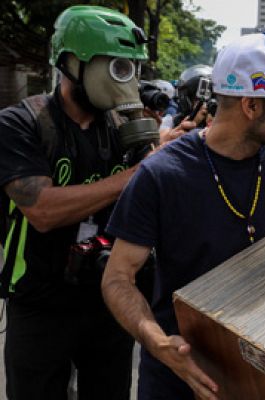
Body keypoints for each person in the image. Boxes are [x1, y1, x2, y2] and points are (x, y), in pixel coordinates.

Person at [101, 33, 265, 400]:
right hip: (180, 377)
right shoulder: (162, 174)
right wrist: (158, 342)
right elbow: (118, 278)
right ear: (251, 105)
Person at [0, 5, 153, 399]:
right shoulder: (21, 124)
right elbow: (43, 210)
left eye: (131, 68)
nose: (126, 80)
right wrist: (134, 176)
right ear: (71, 63)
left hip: (107, 297)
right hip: (39, 303)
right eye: (116, 67)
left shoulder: (123, 130)